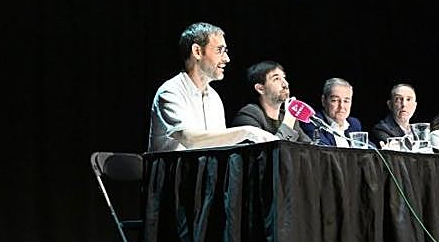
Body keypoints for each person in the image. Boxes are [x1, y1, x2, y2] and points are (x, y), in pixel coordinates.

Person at [148, 22, 276, 152]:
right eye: (219, 50)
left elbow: (218, 148)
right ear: (197, 52)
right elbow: (189, 140)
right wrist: (247, 131)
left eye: (225, 51)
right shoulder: (171, 91)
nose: (227, 59)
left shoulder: (214, 98)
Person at [231, 61, 313, 144]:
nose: (286, 84)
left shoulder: (285, 116)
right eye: (276, 79)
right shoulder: (248, 115)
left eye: (284, 78)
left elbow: (310, 148)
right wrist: (289, 119)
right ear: (260, 88)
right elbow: (271, 153)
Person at [301, 77, 362, 147]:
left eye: (346, 101)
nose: (341, 106)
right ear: (323, 100)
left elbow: (367, 147)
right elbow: (325, 152)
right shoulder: (313, 122)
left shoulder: (354, 123)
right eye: (335, 100)